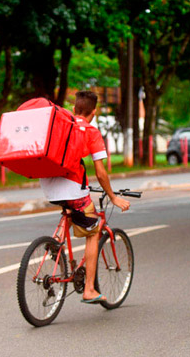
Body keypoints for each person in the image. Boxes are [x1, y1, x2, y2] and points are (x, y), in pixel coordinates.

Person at [39, 90, 130, 304]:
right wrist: (113, 197)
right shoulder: (91, 132)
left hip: (49, 184)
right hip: (72, 187)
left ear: (74, 109)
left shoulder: (61, 126)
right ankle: (89, 289)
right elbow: (100, 173)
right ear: (94, 112)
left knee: (73, 212)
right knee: (93, 231)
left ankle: (56, 243)